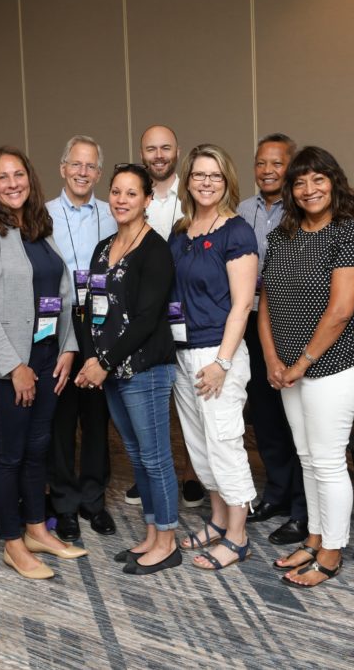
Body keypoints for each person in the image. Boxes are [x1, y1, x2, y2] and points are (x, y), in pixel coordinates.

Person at [258, 147, 354, 587]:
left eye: (318, 179)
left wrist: (301, 363)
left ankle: (331, 551)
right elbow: (266, 303)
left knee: (328, 461)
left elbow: (340, 312)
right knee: (307, 458)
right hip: (287, 366)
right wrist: (274, 359)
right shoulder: (282, 236)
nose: (309, 189)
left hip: (335, 365)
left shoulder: (350, 236)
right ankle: (313, 537)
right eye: (300, 182)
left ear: (334, 183)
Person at [0, 146, 84, 580]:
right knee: (9, 455)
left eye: (19, 174)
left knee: (38, 450)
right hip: (5, 369)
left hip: (49, 358)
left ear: (30, 179)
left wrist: (69, 347)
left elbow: (64, 296)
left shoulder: (38, 229)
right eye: (3, 177)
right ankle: (13, 542)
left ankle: (36, 528)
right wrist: (16, 366)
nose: (13, 183)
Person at [75, 163, 179, 575]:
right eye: (116, 192)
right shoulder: (103, 247)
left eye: (131, 193)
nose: (121, 200)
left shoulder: (156, 250)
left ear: (147, 199)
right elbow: (89, 307)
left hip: (144, 369)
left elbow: (146, 318)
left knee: (155, 459)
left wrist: (102, 363)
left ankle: (167, 542)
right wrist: (90, 358)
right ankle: (152, 534)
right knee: (137, 456)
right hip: (110, 370)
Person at [169, 144, 258, 570]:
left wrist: (222, 364)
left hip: (217, 353)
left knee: (225, 443)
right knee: (200, 447)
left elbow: (242, 305)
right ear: (188, 180)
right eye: (199, 174)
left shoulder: (236, 231)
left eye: (215, 176)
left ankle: (238, 537)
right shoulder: (181, 231)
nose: (206, 182)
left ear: (227, 182)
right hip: (183, 352)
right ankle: (220, 521)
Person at [236, 133, 310, 546]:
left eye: (276, 163)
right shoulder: (243, 210)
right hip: (249, 323)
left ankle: (302, 508)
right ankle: (277, 494)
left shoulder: (302, 207)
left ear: (291, 167)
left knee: (296, 417)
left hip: (290, 323)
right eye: (261, 163)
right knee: (264, 417)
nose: (267, 170)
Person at [47, 135, 117, 542]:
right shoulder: (42, 215)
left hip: (100, 322)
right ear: (62, 168)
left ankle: (93, 499)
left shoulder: (112, 214)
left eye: (91, 166)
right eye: (76, 164)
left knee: (95, 417)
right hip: (57, 322)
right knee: (61, 417)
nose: (83, 172)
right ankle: (65, 503)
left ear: (99, 173)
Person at [138, 123, 205, 509]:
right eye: (151, 149)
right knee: (149, 397)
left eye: (165, 148)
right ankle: (149, 473)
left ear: (177, 151)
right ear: (142, 152)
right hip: (146, 313)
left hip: (186, 311)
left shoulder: (192, 193)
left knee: (190, 399)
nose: (158, 155)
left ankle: (192, 472)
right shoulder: (136, 194)